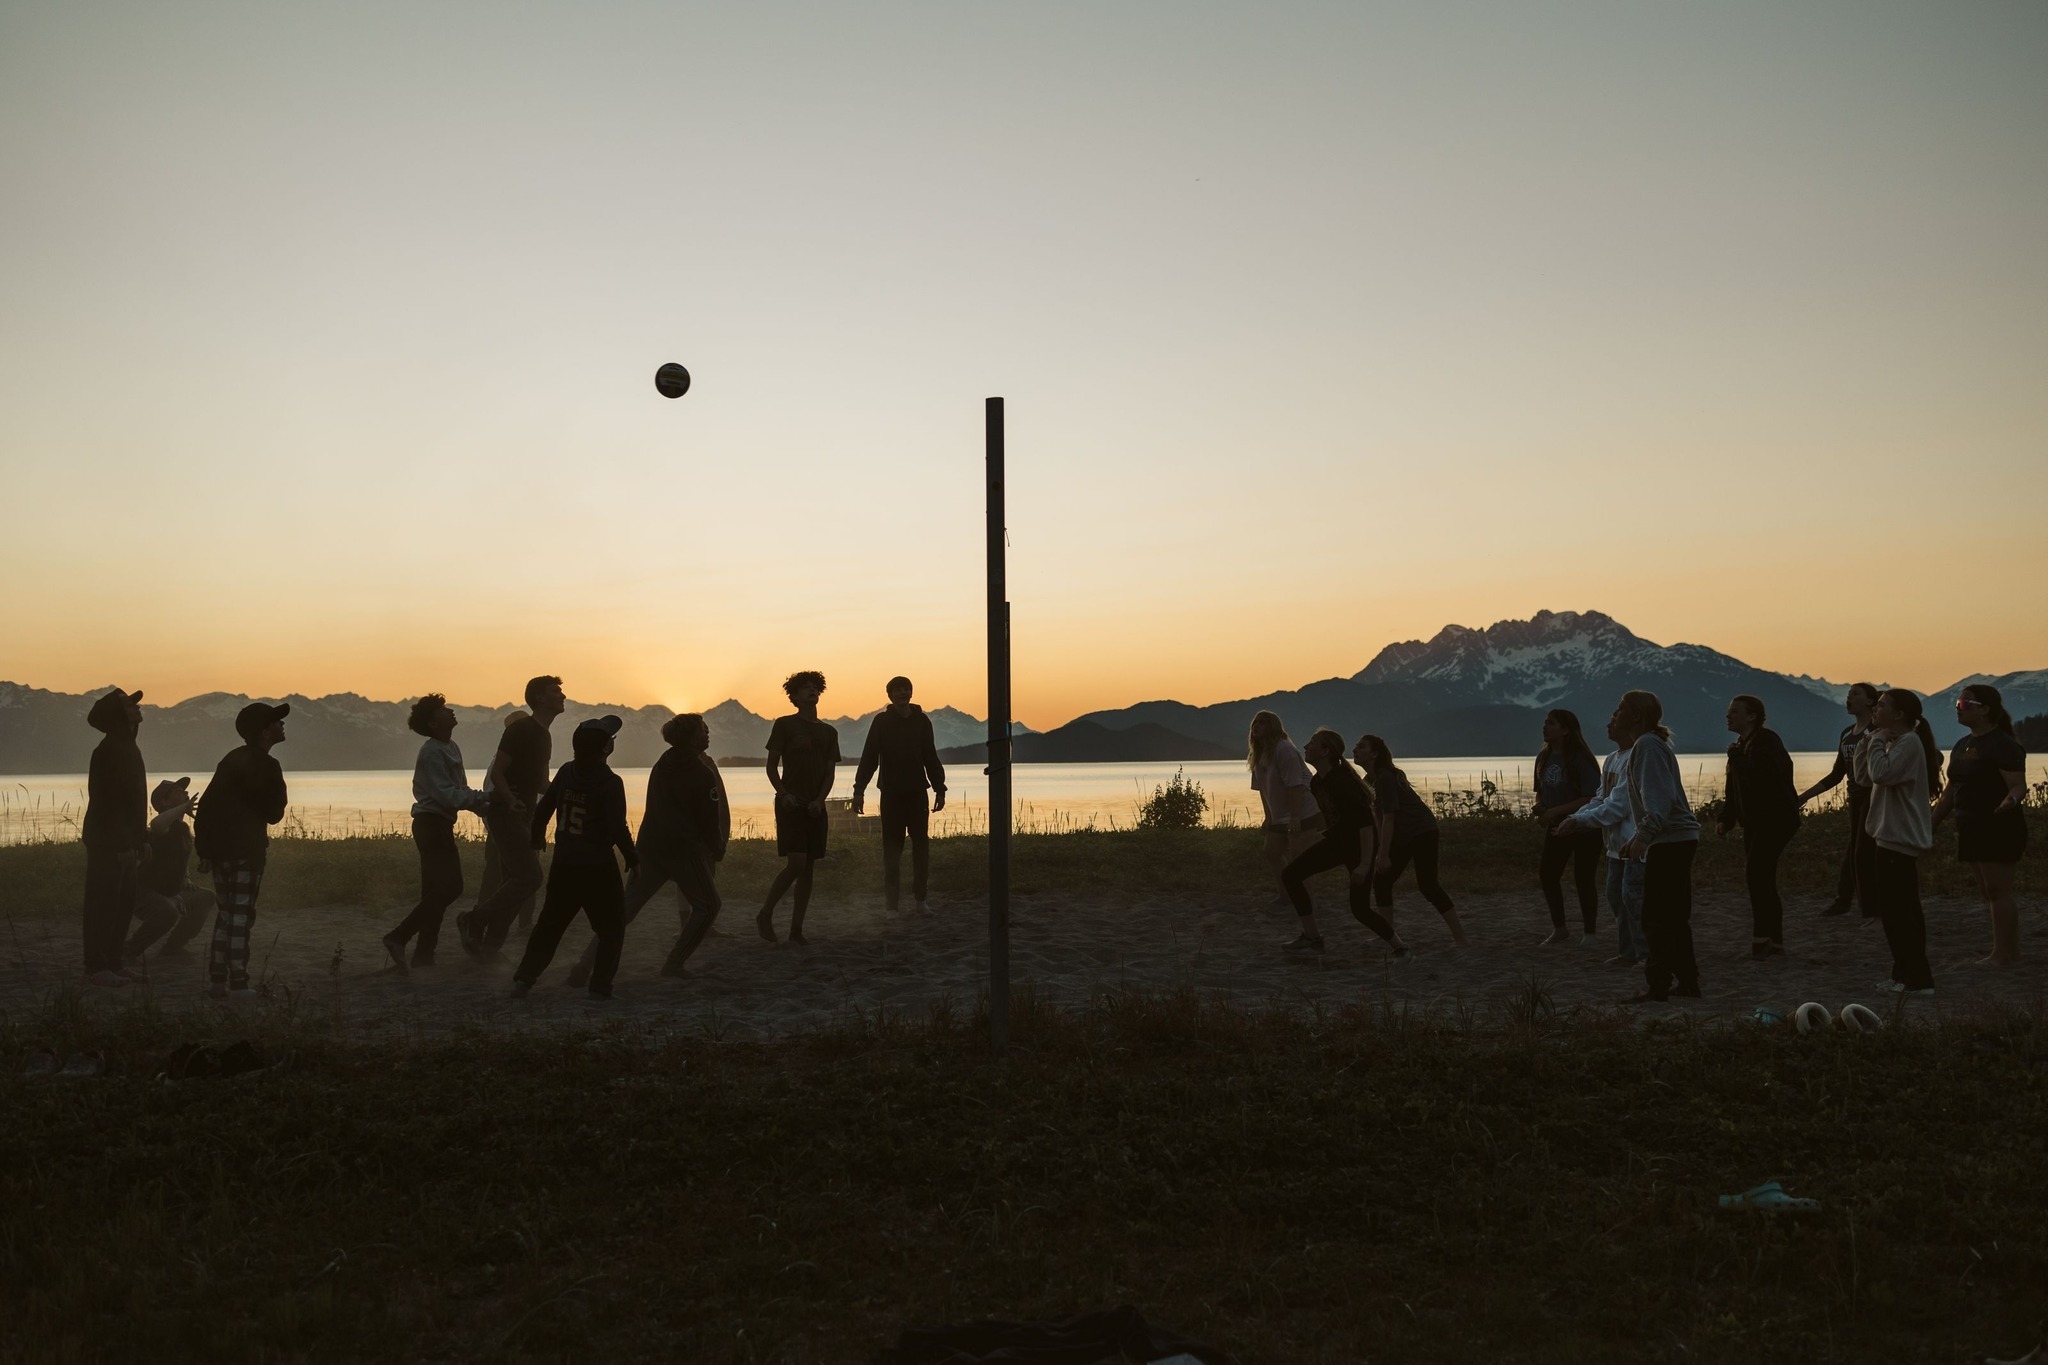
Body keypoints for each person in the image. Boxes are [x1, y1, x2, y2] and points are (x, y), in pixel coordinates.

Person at [569, 712, 729, 985]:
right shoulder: (701, 773)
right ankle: (674, 963)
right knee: (709, 906)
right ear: (692, 739)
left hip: (649, 847)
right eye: (703, 729)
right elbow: (708, 819)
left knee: (625, 911)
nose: (708, 733)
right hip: (682, 851)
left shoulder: (662, 763)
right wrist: (717, 848)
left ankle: (584, 965)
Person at [511, 716, 636, 1000]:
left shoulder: (567, 772)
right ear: (606, 749)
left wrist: (537, 836)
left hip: (564, 864)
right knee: (612, 929)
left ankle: (524, 979)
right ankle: (601, 986)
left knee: (549, 926)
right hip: (598, 868)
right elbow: (617, 827)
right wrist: (632, 856)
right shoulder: (610, 782)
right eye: (610, 740)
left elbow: (544, 809)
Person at [382, 694, 492, 973]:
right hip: (430, 824)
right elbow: (447, 795)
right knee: (451, 887)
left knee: (433, 892)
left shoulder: (450, 746)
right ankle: (398, 937)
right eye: (444, 710)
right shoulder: (432, 751)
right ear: (432, 723)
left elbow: (459, 790)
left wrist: (484, 804)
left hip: (439, 824)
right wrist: (484, 801)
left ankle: (424, 954)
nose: (451, 710)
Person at [458, 675, 566, 958]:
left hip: (524, 816)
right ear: (540, 698)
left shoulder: (544, 736)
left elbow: (541, 783)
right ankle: (473, 919)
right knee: (530, 877)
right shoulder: (521, 729)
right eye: (557, 691)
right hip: (505, 814)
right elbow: (498, 772)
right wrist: (509, 799)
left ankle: (490, 947)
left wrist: (567, 793)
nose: (563, 696)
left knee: (513, 884)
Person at [1278, 730, 1409, 958]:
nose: (1306, 746)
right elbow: (1333, 815)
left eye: (1313, 743)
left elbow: (1365, 825)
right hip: (1338, 842)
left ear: (1326, 751)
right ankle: (1312, 937)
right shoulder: (1318, 782)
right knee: (1291, 874)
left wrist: (1364, 864)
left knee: (1360, 909)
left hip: (1360, 847)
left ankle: (1400, 947)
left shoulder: (1342, 782)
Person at [193, 702, 289, 999]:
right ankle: (238, 983)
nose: (282, 725)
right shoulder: (268, 765)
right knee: (240, 916)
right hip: (247, 851)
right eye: (277, 722)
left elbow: (206, 807)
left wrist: (204, 850)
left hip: (220, 851)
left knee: (226, 914)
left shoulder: (230, 760)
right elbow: (274, 813)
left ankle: (217, 981)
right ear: (264, 732)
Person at [1615, 690, 1701, 1003]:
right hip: (1676, 839)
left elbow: (1658, 802)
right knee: (1673, 917)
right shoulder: (1650, 745)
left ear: (1637, 716)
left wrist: (1643, 836)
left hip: (1671, 840)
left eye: (1621, 708)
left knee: (1656, 917)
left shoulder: (1647, 746)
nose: (1616, 713)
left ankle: (1659, 985)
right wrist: (1638, 836)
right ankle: (1688, 983)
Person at [1934, 683, 2028, 966]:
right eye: (1957, 705)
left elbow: (2018, 785)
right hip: (1970, 826)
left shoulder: (2003, 745)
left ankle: (2004, 954)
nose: (1958, 710)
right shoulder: (1963, 745)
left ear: (1985, 710)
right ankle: (2006, 951)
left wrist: (2011, 800)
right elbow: (1952, 790)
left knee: (1999, 890)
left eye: (1964, 705)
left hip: (1998, 826)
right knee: (1988, 891)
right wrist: (1932, 821)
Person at [1855, 688, 1941, 995]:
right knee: (1895, 912)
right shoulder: (1897, 743)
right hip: (1887, 837)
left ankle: (1917, 978)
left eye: (1881, 706)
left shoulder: (1909, 743)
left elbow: (1882, 774)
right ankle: (1903, 974)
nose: (1875, 710)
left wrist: (1877, 740)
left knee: (1901, 912)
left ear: (1900, 714)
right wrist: (1867, 744)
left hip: (1899, 839)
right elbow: (1864, 777)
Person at [1355, 734, 1469, 946]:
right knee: (1382, 881)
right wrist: (1381, 850)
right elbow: (1378, 817)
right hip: (1404, 835)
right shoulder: (1370, 781)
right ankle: (1387, 935)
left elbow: (1390, 817)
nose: (1355, 750)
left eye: (1361, 747)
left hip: (1422, 831)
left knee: (1428, 885)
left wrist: (1384, 854)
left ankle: (1460, 937)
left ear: (1374, 754)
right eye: (1355, 747)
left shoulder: (1385, 778)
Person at [1553, 710, 1644, 966]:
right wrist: (1576, 817)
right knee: (1616, 898)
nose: (1608, 724)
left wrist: (1579, 821)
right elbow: (1600, 798)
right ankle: (1629, 953)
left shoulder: (1635, 758)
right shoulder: (1613, 758)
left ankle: (1645, 955)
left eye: (1614, 720)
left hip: (1634, 843)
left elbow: (1619, 806)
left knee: (1634, 902)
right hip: (1615, 847)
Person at [758, 671, 840, 945]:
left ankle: (796, 930)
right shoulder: (784, 725)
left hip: (815, 806)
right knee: (796, 863)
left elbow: (829, 773)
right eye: (805, 688)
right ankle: (765, 913)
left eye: (815, 687)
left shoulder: (829, 732)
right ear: (793, 697)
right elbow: (771, 767)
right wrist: (783, 794)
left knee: (808, 870)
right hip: (791, 804)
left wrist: (820, 800)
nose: (811, 691)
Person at [851, 676, 946, 913]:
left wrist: (939, 788)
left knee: (921, 846)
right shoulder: (881, 722)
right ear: (890, 695)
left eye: (907, 689)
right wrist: (859, 790)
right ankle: (892, 905)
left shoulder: (922, 721)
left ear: (911, 693)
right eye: (898, 690)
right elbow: (870, 757)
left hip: (917, 793)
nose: (903, 693)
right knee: (892, 850)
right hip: (891, 794)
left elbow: (930, 756)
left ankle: (920, 900)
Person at [1718, 694, 1801, 958]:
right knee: (1761, 878)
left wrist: (1735, 756)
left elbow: (1761, 775)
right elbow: (1735, 788)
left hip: (1776, 819)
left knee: (1757, 875)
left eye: (1734, 712)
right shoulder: (1742, 744)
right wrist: (1726, 818)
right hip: (1755, 822)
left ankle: (1764, 941)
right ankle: (1771, 941)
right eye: (1729, 711)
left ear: (1752, 716)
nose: (1728, 716)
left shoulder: (1767, 741)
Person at [81, 687, 148, 987]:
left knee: (123, 905)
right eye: (129, 705)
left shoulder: (129, 747)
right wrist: (121, 844)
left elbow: (134, 802)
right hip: (108, 844)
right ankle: (97, 967)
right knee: (103, 904)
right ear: (117, 716)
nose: (136, 708)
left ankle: (114, 962)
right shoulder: (107, 751)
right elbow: (107, 803)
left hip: (127, 843)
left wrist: (141, 840)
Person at [1797, 682, 1880, 919]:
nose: (1848, 698)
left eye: (1855, 694)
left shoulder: (1877, 730)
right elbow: (1836, 774)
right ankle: (1844, 901)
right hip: (1854, 797)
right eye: (1848, 694)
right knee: (1855, 848)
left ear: (1870, 702)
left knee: (1863, 850)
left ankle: (1869, 907)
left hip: (1874, 796)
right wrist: (1804, 796)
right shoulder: (1846, 734)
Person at [123, 778, 217, 960]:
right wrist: (183, 808)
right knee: (168, 912)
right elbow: (157, 824)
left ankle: (173, 948)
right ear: (164, 802)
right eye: (178, 790)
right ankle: (129, 950)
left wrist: (186, 877)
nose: (186, 793)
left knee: (205, 897)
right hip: (143, 891)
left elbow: (180, 858)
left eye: (184, 790)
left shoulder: (182, 829)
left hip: (169, 891)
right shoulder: (162, 826)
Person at [1533, 709, 1603, 945]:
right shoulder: (1543, 758)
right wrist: (1542, 807)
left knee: (1583, 877)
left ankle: (1590, 933)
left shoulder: (1580, 760)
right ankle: (1560, 928)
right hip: (1556, 827)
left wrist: (1555, 810)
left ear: (1565, 730)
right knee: (1548, 875)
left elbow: (1590, 797)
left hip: (1584, 827)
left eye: (1551, 723)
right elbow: (1539, 792)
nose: (1545, 727)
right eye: (1545, 722)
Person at [1248, 711, 1323, 908]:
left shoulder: (1285, 750)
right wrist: (1268, 817)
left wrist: (1295, 817)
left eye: (1262, 723)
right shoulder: (1258, 754)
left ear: (1272, 727)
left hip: (1304, 810)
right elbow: (1263, 790)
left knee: (1299, 855)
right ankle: (1286, 895)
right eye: (1255, 723)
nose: (1256, 726)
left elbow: (1295, 786)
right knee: (1272, 851)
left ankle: (1308, 900)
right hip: (1279, 815)